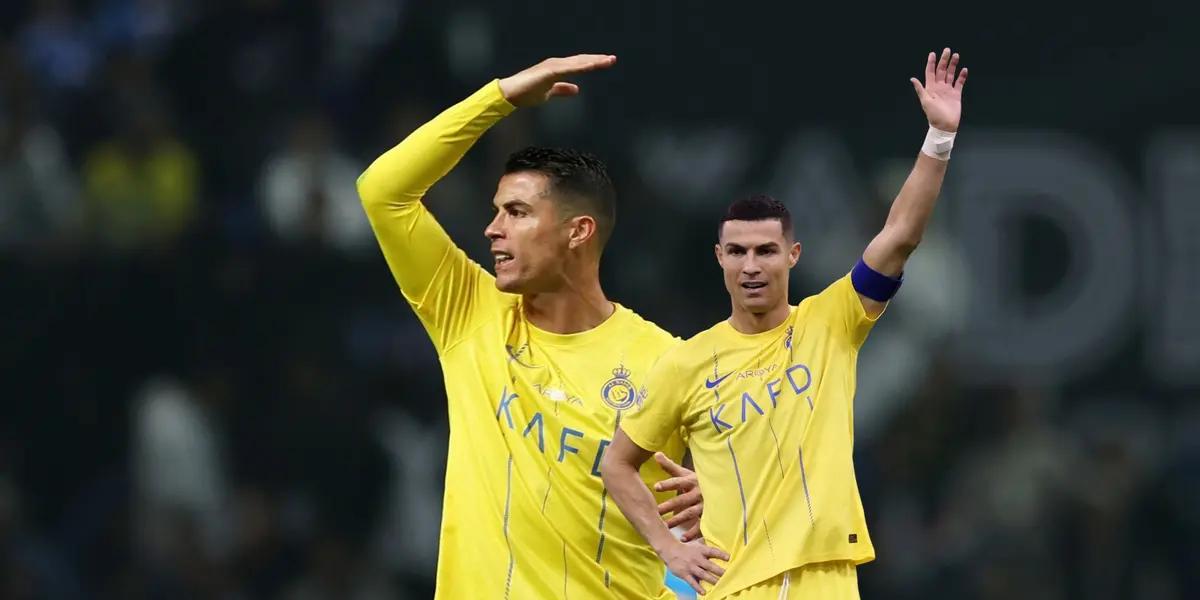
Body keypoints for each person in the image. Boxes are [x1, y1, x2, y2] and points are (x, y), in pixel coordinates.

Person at [601, 48, 968, 599]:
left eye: (766, 251)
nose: (752, 266)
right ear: (719, 259)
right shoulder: (687, 362)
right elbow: (617, 466)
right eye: (738, 252)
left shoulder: (832, 322)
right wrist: (671, 548)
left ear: (793, 255)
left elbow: (900, 236)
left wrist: (938, 138)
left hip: (826, 581)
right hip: (732, 587)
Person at [357, 54, 701, 599]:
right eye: (496, 211)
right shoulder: (468, 312)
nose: (493, 229)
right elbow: (383, 192)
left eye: (516, 213)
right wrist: (499, 99)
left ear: (578, 231)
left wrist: (722, 496)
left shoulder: (670, 363)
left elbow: (747, 499)